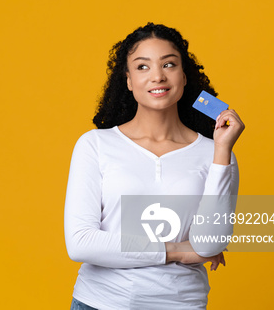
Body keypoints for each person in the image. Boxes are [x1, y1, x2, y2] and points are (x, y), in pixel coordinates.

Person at [64, 23, 245, 309]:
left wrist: (222, 149)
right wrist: (177, 250)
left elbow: (208, 245)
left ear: (184, 77)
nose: (158, 76)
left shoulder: (216, 153)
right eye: (142, 67)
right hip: (100, 302)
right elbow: (81, 243)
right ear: (128, 80)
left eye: (169, 64)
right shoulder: (95, 145)